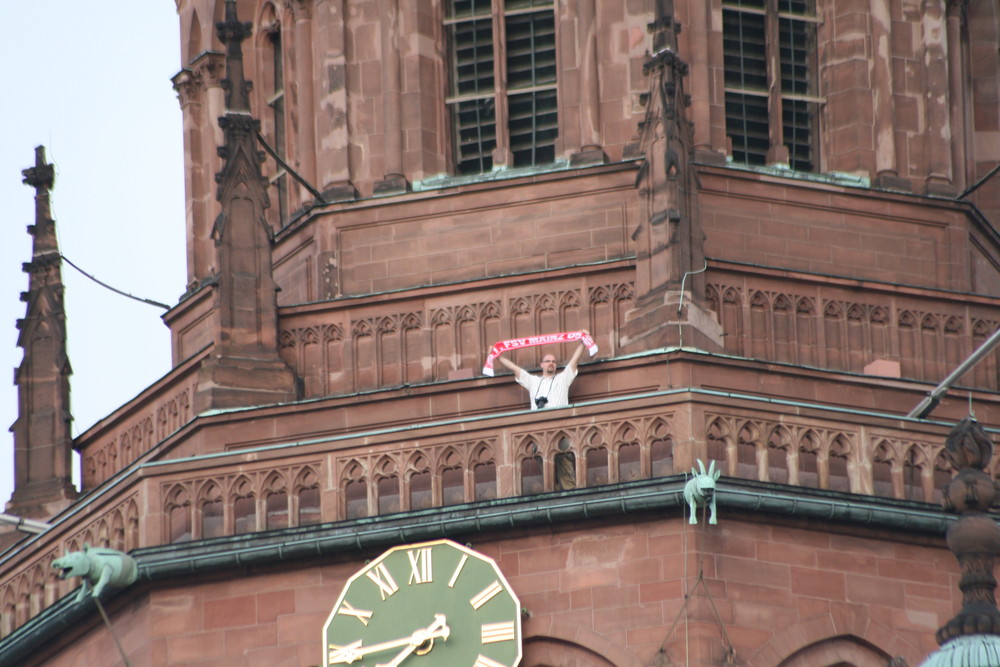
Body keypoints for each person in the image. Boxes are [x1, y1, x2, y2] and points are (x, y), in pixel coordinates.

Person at [496, 332, 589, 411]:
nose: (551, 363)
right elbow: (514, 368)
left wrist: (583, 342)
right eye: (548, 361)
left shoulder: (563, 378)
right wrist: (498, 356)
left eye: (553, 362)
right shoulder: (533, 381)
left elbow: (575, 360)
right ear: (542, 365)